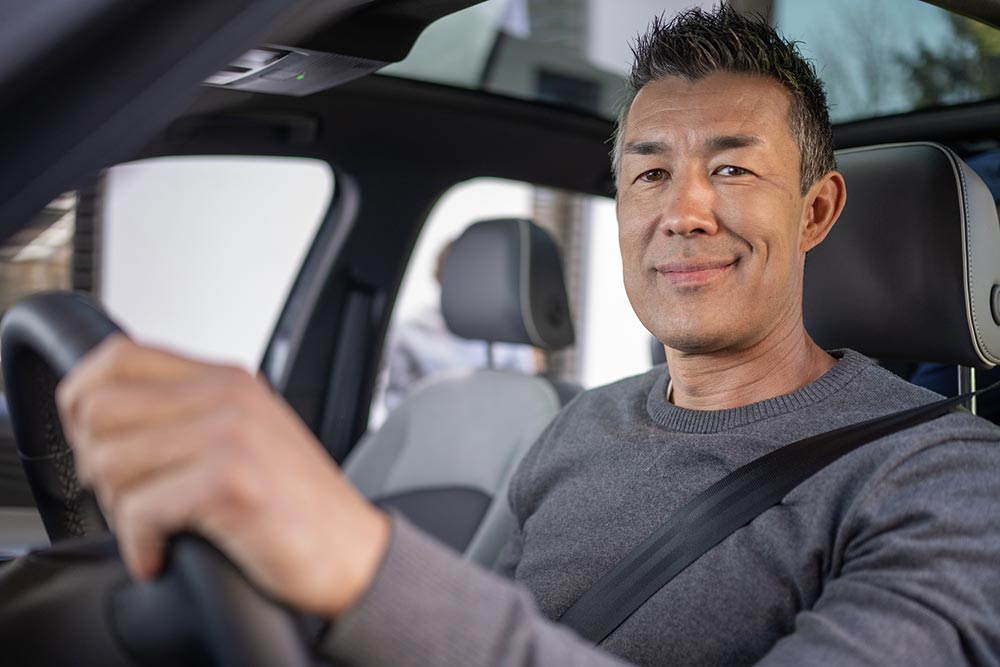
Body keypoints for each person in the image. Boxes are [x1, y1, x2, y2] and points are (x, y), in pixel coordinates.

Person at [55, 6, 1000, 667]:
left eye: (733, 170)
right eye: (649, 173)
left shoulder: (948, 476)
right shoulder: (577, 426)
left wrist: (361, 563)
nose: (683, 211)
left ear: (816, 210)